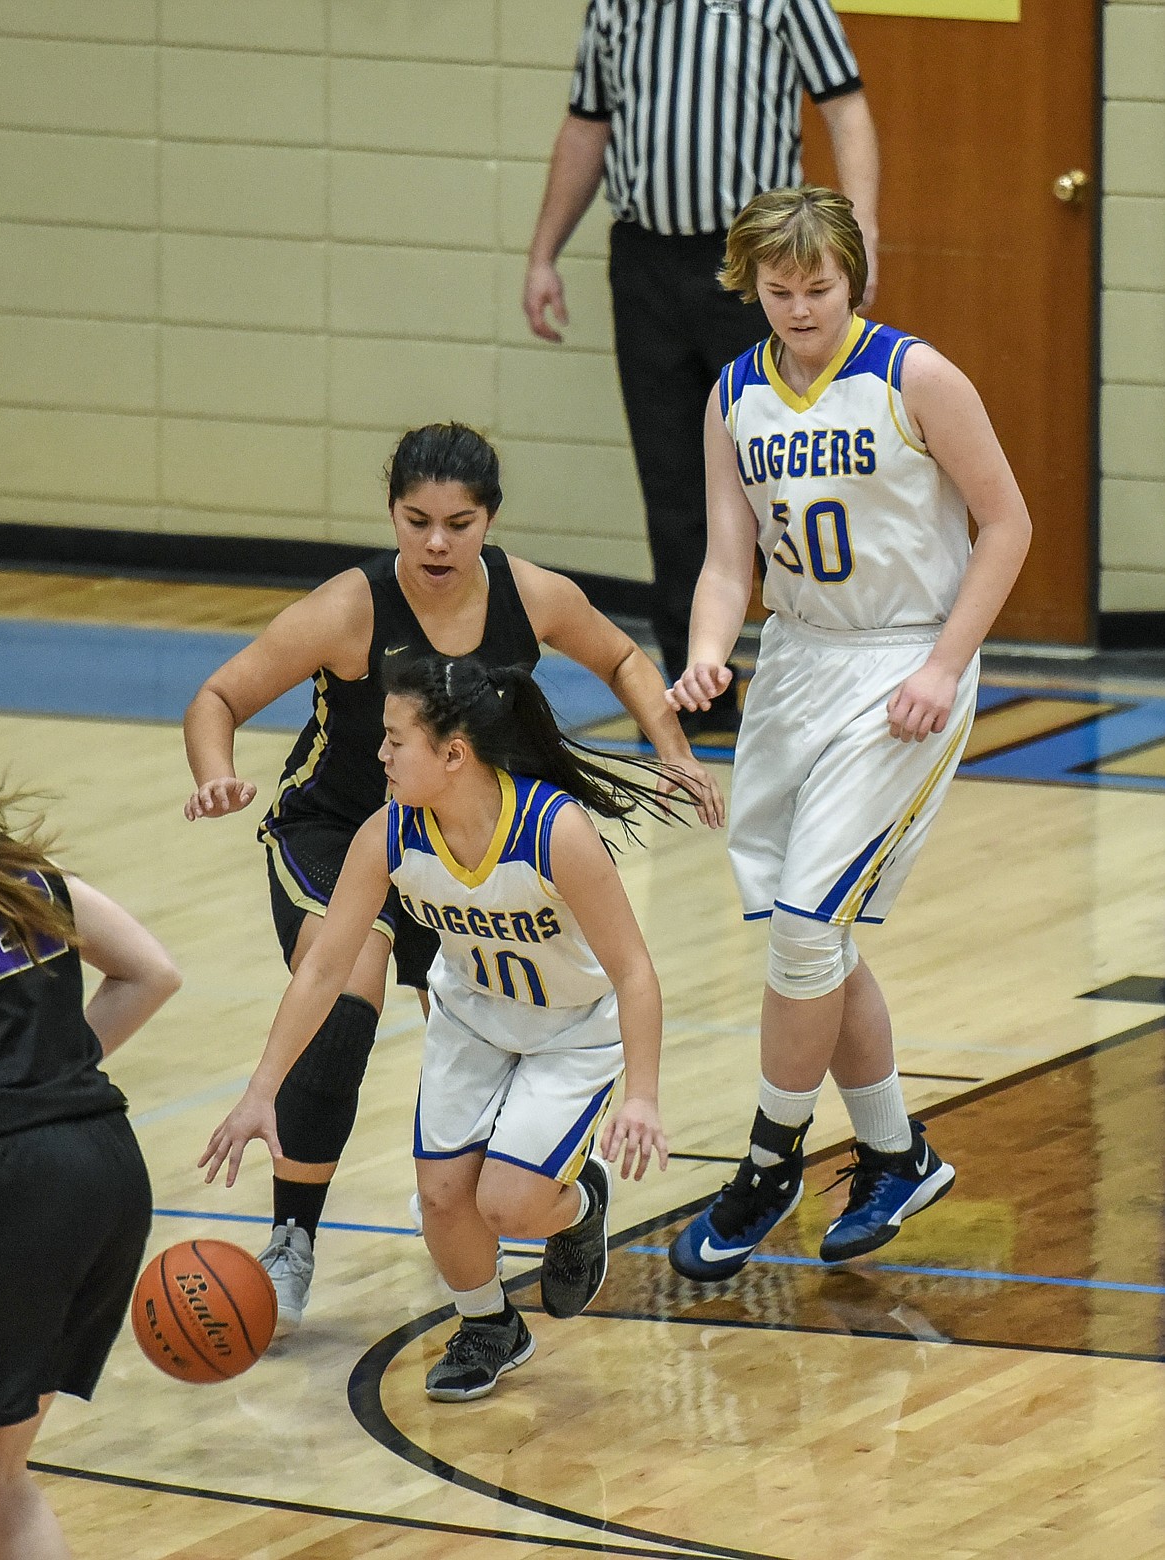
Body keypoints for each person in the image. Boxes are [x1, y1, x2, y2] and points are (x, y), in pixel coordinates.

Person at [182, 422, 721, 1332]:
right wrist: (214, 774)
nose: (436, 542)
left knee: (484, 1033)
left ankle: (555, 1186)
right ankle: (292, 1238)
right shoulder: (350, 608)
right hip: (343, 829)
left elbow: (624, 657)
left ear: (490, 522)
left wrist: (672, 749)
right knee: (342, 1001)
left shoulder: (531, 595)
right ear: (391, 513)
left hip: (465, 839)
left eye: (459, 523)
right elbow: (218, 696)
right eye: (416, 519)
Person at [666, 185, 1031, 1280]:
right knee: (818, 936)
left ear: (852, 278)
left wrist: (943, 665)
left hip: (902, 664)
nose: (800, 309)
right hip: (798, 666)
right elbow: (730, 558)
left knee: (803, 920)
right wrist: (707, 649)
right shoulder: (735, 394)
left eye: (818, 288)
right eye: (779, 292)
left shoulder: (913, 376)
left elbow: (1007, 522)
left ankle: (770, 1160)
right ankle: (894, 1151)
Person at [201, 654, 675, 1401]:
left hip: (571, 1029)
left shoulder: (554, 831)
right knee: (445, 1199)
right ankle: (489, 1325)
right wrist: (262, 1090)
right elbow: (325, 969)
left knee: (509, 1205)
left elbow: (636, 972)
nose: (379, 754)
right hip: (471, 1020)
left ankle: (582, 1202)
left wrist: (642, 1096)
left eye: (395, 740)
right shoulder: (387, 835)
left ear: (453, 755)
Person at [523, 0, 879, 731]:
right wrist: (543, 254)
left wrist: (859, 236)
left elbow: (845, 108)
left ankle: (831, 667)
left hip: (752, 263)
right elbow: (587, 124)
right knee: (673, 482)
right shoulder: (615, 7)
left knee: (794, 470)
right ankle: (700, 687)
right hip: (645, 260)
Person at [0, 789, 180, 1560]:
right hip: (105, 1166)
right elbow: (152, 973)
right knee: (3, 1481)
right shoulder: (33, 883)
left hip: (21, 1183)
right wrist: (57, 1077)